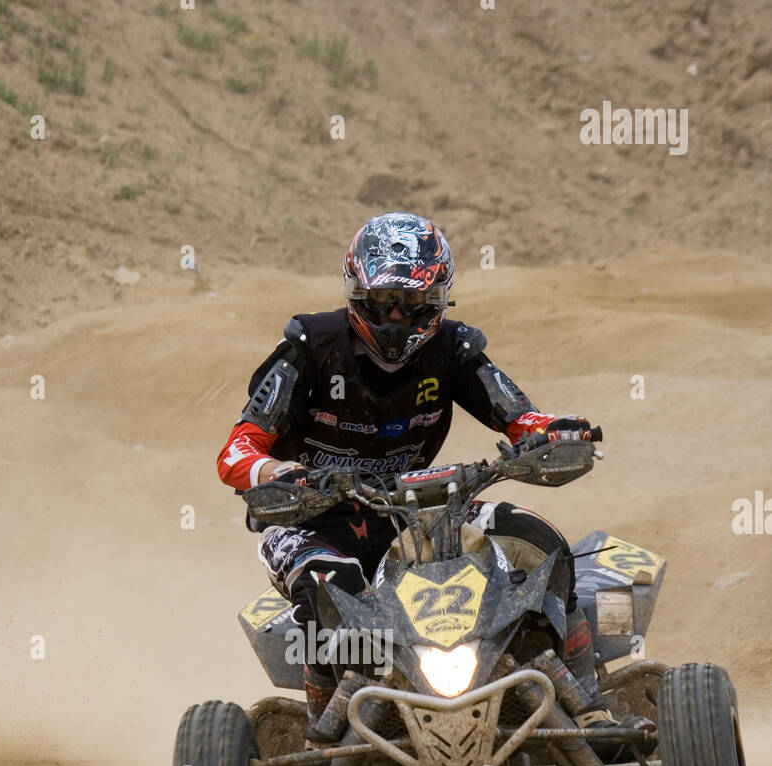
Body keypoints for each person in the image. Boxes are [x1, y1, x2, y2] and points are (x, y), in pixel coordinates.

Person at [217, 211, 621, 733]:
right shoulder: (308, 347)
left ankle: (586, 702)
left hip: (422, 512)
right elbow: (235, 451)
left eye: (411, 306)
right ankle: (323, 737)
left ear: (438, 301)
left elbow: (520, 419)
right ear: (355, 294)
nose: (393, 320)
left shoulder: (454, 348)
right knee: (329, 587)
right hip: (311, 521)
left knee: (537, 535)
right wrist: (282, 473)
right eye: (381, 304)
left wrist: (553, 433)